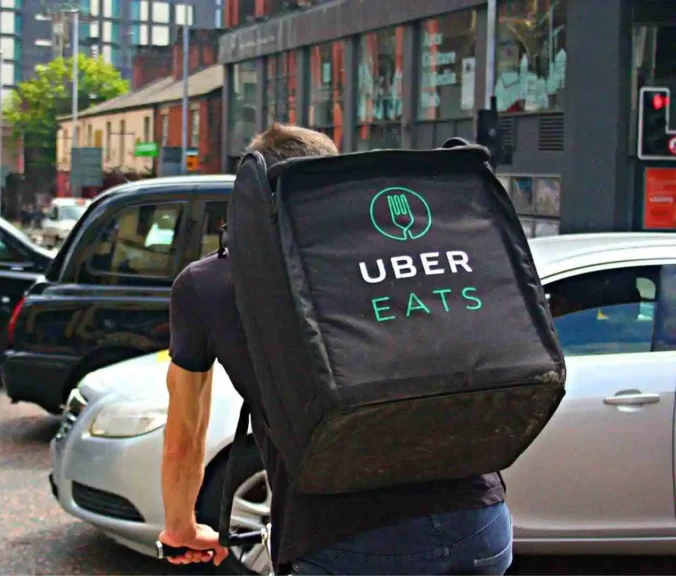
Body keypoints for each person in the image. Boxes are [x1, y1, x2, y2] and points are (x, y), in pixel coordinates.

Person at [158, 123, 512, 576]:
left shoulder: (208, 284)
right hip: (479, 521)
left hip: (344, 541)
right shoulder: (397, 251)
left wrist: (181, 527)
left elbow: (185, 436)